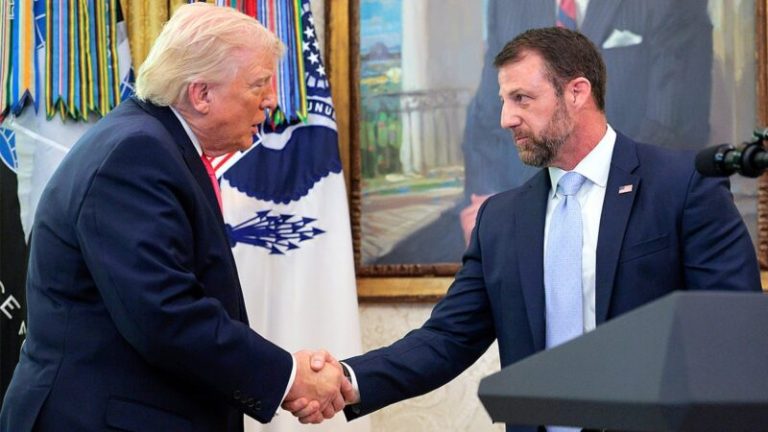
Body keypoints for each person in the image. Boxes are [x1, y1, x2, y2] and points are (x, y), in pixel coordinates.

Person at [288, 27, 761, 431]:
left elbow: (730, 333)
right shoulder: (502, 220)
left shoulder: (682, 186)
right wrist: (347, 378)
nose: (505, 118)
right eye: (504, 100)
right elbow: (447, 339)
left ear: (577, 92)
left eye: (521, 99)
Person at [0, 4, 350, 431]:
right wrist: (289, 377)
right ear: (201, 94)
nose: (272, 100)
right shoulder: (135, 155)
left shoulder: (155, 143)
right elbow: (165, 314)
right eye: (258, 84)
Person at [376, 0, 713, 264]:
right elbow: (486, 119)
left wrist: (573, 208)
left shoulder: (671, 4)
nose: (508, 119)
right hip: (511, 201)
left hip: (623, 207)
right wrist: (491, 204)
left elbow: (673, 126)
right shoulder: (507, 4)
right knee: (396, 261)